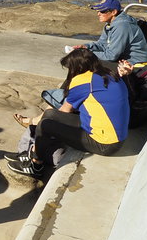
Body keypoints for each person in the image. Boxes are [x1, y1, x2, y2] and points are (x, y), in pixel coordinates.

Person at [9, 48, 129, 178]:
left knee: (46, 125)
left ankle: (35, 165)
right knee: (50, 115)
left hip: (104, 143)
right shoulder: (109, 73)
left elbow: (65, 110)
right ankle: (32, 152)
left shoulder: (82, 81)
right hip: (111, 134)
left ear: (76, 67)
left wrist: (39, 123)